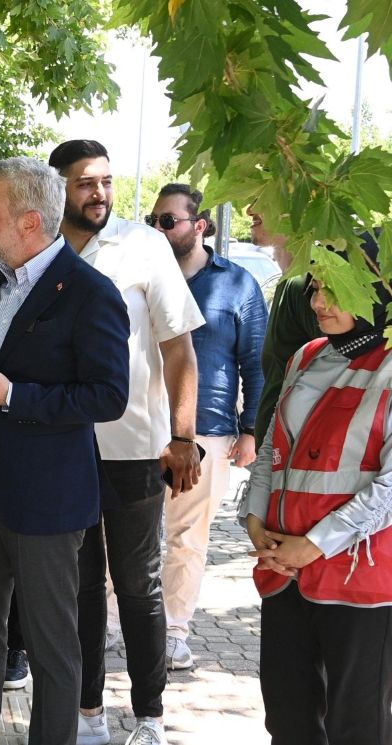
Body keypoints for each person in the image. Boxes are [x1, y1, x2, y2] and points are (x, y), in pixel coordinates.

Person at [0, 157, 128, 745]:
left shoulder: (91, 293)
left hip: (49, 494)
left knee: (51, 644)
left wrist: (13, 395)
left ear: (30, 221)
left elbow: (108, 396)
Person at [47, 140, 204, 745]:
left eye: (107, 181)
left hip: (137, 449)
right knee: (81, 588)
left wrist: (183, 436)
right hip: (63, 448)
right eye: (85, 182)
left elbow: (178, 346)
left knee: (138, 587)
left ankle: (149, 718)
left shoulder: (143, 245)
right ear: (58, 187)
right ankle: (89, 714)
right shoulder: (41, 248)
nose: (100, 193)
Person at [240, 234, 392, 745]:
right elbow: (272, 448)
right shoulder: (305, 356)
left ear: (374, 289)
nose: (318, 302)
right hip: (284, 570)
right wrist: (255, 519)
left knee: (358, 726)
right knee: (288, 720)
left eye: (334, 289)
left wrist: (314, 544)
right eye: (315, 287)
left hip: (359, 579)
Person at [149, 184, 267, 671]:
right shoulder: (143, 276)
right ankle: (113, 623)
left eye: (168, 221)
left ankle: (174, 631)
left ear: (199, 226)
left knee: (187, 538)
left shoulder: (238, 285)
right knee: (124, 534)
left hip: (207, 432)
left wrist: (251, 429)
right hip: (140, 427)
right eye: (153, 221)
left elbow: (256, 362)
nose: (158, 229)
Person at [249, 201, 322, 446]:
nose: (249, 210)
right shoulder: (290, 281)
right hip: (278, 451)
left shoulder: (307, 284)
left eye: (264, 200)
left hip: (297, 450)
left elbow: (334, 367)